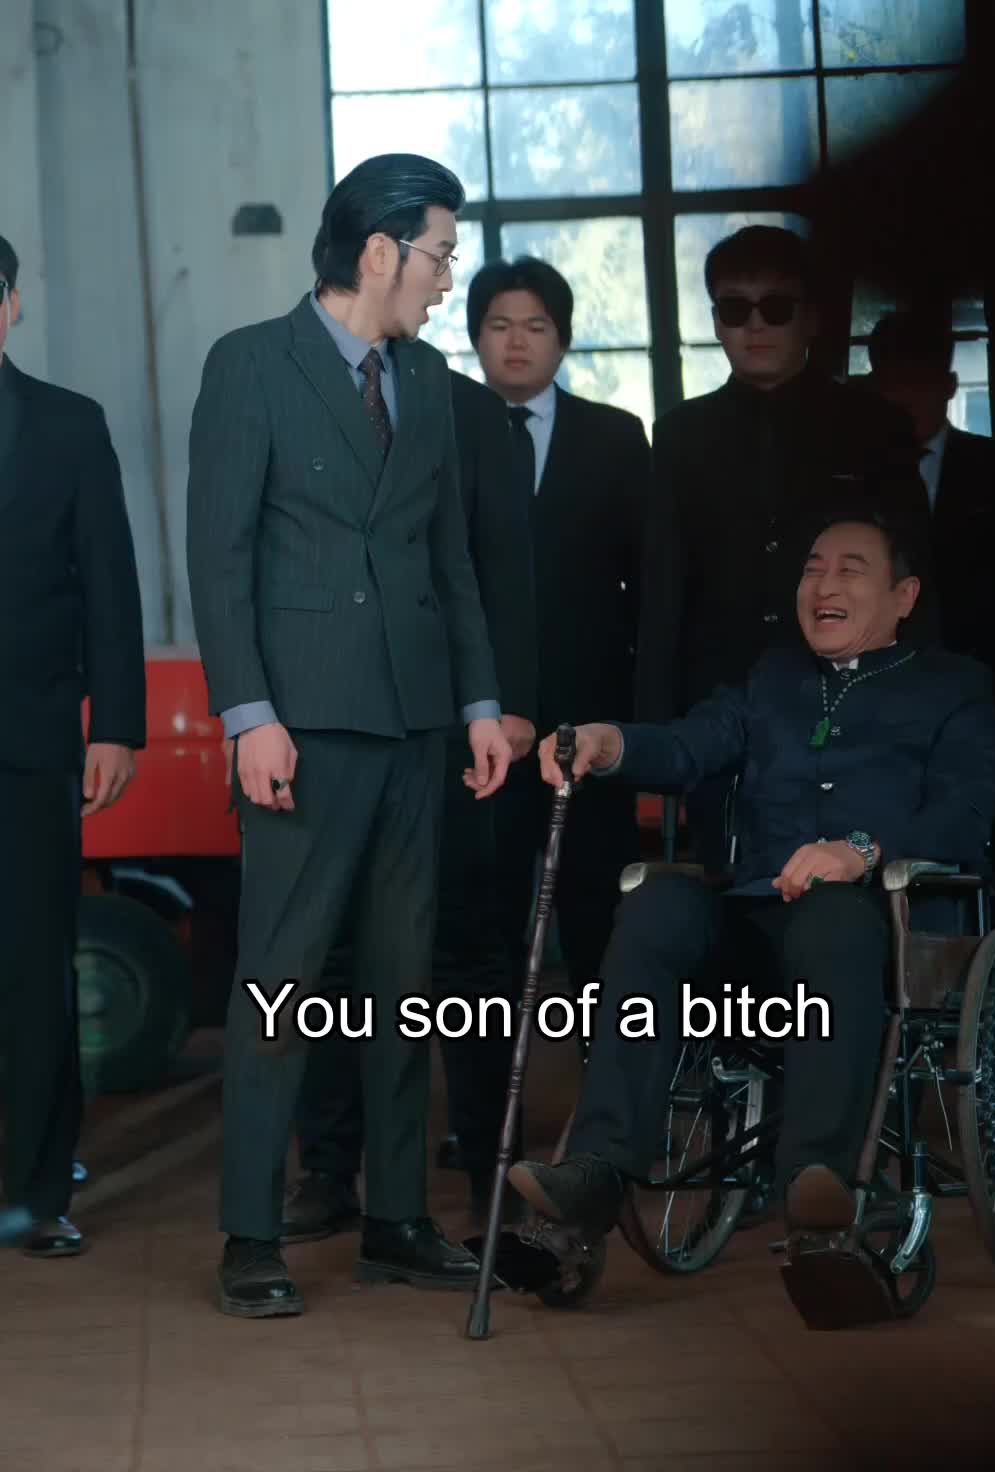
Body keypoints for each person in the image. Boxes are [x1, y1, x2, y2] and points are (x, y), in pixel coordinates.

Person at [186, 155, 513, 1320]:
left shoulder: (427, 379)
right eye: (441, 254)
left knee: (402, 986)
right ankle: (250, 1234)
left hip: (416, 723)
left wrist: (480, 705)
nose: (447, 278)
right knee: (281, 985)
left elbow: (448, 559)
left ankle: (398, 1220)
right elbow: (220, 558)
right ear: (380, 251)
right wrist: (250, 718)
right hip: (303, 732)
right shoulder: (250, 364)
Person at [509, 511, 995, 1242]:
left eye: (850, 570)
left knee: (835, 916)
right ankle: (598, 1167)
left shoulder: (952, 687)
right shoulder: (772, 679)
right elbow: (688, 748)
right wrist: (609, 744)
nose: (824, 585)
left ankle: (818, 1178)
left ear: (904, 596)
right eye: (813, 569)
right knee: (657, 906)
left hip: (883, 931)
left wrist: (861, 850)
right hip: (757, 921)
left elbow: (967, 811)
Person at [284, 366, 538, 1237]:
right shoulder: (296, 390)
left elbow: (504, 566)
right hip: (328, 719)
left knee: (466, 945)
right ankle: (329, 1168)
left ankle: (489, 1162)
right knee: (332, 950)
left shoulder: (470, 410)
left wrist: (511, 703)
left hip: (453, 722)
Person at [635, 224, 934, 867]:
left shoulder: (873, 426)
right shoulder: (681, 433)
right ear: (715, 321)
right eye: (735, 308)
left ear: (811, 318)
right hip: (717, 700)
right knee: (726, 880)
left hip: (851, 694)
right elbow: (662, 585)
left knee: (844, 876)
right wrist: (657, 725)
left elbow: (914, 568)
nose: (755, 326)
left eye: (776, 307)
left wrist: (915, 698)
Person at [0, 234, 145, 1257]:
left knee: (33, 969)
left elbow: (111, 584)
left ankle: (38, 1193)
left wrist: (119, 726)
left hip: (33, 740)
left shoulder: (68, 424)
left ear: (9, 306)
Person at [467, 257, 650, 1003]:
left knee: (595, 914)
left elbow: (646, 580)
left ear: (564, 339)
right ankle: (486, 1083)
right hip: (477, 723)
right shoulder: (443, 435)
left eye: (536, 326)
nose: (517, 342)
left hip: (590, 718)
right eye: (499, 326)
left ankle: (605, 1075)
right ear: (475, 338)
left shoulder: (614, 437)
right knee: (484, 923)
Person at [867, 309, 995, 924]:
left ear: (946, 384)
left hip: (985, 685)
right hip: (886, 691)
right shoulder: (856, 475)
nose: (904, 398)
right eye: (891, 383)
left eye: (918, 381)